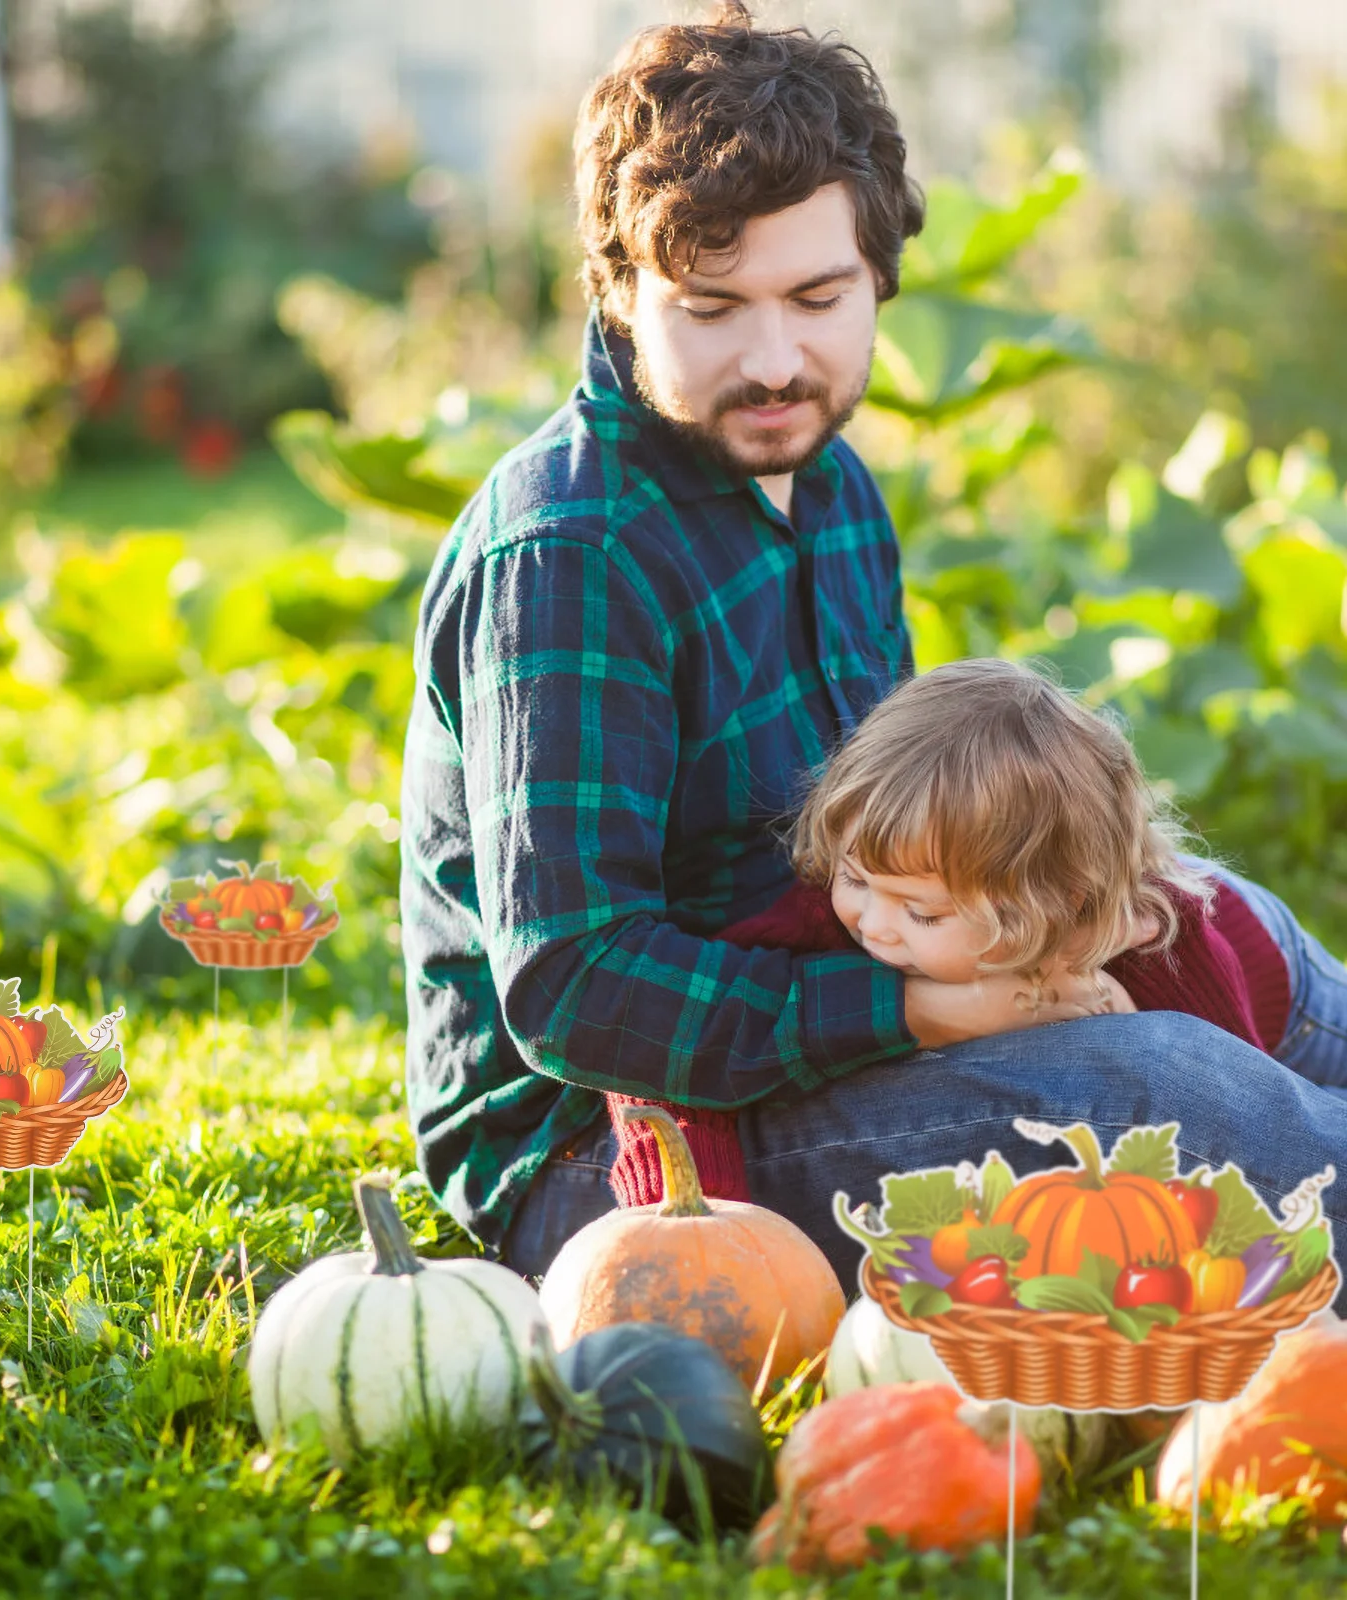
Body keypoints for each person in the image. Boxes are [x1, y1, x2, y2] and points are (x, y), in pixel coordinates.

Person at [398, 3, 1347, 1294]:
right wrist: (922, 1012)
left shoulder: (832, 489)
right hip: (619, 1161)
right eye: (713, 308)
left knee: (1242, 931)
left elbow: (897, 829)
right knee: (1144, 1087)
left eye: (818, 296)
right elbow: (575, 989)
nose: (775, 359)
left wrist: (1053, 912)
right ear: (619, 290)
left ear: (877, 275)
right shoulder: (572, 550)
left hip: (837, 991)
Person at [608, 658, 1338, 1206]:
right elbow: (671, 1061)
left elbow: (1240, 1108)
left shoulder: (1149, 934)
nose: (873, 923)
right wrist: (696, 1215)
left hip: (1274, 979)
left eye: (921, 913)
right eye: (856, 877)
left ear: (1053, 907)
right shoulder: (815, 921)